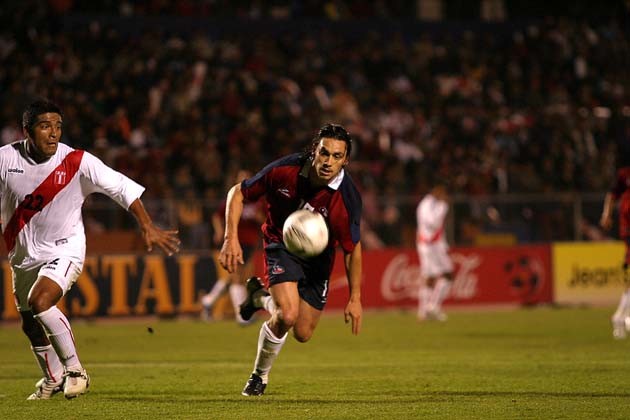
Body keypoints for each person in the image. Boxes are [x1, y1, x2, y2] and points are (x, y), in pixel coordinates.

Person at [3, 99, 180, 400]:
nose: (53, 133)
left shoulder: (77, 161)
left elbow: (121, 188)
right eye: (45, 126)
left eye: (58, 126)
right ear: (27, 131)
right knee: (30, 323)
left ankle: (75, 371)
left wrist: (147, 224)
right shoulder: (5, 159)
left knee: (41, 301)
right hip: (22, 255)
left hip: (65, 248)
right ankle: (52, 378)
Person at [219, 123, 363, 396]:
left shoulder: (348, 198)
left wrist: (355, 297)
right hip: (280, 244)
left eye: (336, 156)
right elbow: (237, 193)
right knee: (287, 315)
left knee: (303, 332)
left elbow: (352, 248)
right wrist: (230, 237)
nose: (328, 162)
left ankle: (260, 298)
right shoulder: (285, 170)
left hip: (319, 259)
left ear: (345, 160)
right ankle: (259, 376)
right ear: (314, 150)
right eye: (324, 153)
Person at [201, 169, 264, 324]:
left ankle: (209, 301)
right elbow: (217, 216)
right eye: (241, 178)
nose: (245, 181)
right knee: (236, 277)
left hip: (250, 243)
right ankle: (241, 315)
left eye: (247, 178)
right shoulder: (235, 197)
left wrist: (259, 218)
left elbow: (266, 221)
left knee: (238, 277)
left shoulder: (258, 201)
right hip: (235, 242)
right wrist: (219, 231)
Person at [600, 165, 630, 339]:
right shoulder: (624, 174)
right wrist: (606, 214)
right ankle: (622, 317)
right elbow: (612, 194)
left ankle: (621, 316)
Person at [416, 182, 454, 321]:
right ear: (438, 190)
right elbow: (433, 224)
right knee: (444, 275)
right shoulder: (428, 205)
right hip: (430, 245)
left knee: (433, 276)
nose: (445, 196)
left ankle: (425, 311)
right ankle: (431, 307)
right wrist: (443, 207)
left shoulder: (430, 204)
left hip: (432, 244)